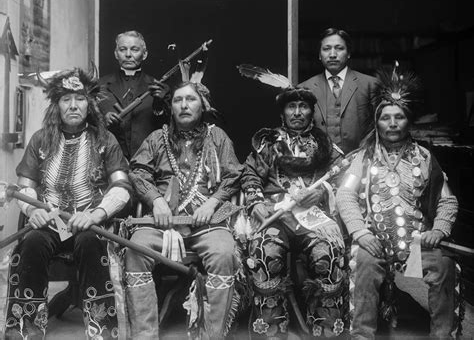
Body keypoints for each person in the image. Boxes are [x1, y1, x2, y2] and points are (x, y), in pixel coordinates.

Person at [3, 68, 132, 339]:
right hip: (49, 221)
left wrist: (96, 214)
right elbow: (26, 185)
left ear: (90, 104)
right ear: (56, 105)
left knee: (89, 242)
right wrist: (33, 209)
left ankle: (102, 331)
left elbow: (121, 188)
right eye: (65, 99)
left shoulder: (105, 140)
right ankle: (24, 330)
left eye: (80, 99)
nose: (73, 105)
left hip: (90, 224)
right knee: (32, 243)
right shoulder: (40, 139)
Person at [336, 65, 459, 339]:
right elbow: (345, 195)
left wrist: (437, 230)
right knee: (364, 266)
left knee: (444, 266)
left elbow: (448, 201)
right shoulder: (364, 157)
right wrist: (361, 232)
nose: (392, 123)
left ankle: (442, 335)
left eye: (399, 117)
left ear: (408, 121)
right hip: (375, 241)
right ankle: (362, 335)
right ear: (377, 123)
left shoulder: (425, 157)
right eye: (386, 118)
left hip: (417, 244)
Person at [124, 72, 244, 339]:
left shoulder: (218, 137)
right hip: (162, 223)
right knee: (135, 250)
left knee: (224, 254)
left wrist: (212, 204)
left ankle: (212, 335)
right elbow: (138, 172)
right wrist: (156, 201)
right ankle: (145, 335)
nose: (184, 105)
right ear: (171, 106)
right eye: (178, 100)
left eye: (191, 99)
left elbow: (235, 174)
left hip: (207, 224)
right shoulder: (158, 138)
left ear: (203, 106)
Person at [241, 85, 348, 338]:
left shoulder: (325, 145)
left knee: (329, 252)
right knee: (266, 252)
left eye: (303, 107)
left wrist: (323, 192)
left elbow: (344, 177)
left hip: (314, 216)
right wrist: (256, 201)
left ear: (312, 112)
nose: (297, 112)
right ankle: (270, 330)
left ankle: (325, 329)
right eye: (292, 106)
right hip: (275, 212)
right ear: (283, 113)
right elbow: (249, 174)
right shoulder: (269, 144)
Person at [298, 28, 378, 155]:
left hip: (361, 162)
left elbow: (379, 129)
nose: (333, 54)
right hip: (319, 164)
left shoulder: (370, 85)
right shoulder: (305, 88)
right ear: (319, 55)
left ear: (349, 53)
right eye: (326, 49)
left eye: (339, 48)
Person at [98, 30, 169, 160]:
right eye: (123, 49)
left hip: (148, 161)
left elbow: (167, 129)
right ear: (116, 54)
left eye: (134, 49)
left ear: (145, 54)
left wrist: (159, 104)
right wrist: (103, 118)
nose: (128, 55)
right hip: (109, 160)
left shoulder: (159, 88)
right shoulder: (99, 86)